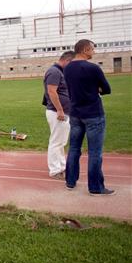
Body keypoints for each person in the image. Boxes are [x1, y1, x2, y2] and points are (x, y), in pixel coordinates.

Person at [64, 39, 113, 196]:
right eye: (92, 49)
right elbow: (107, 89)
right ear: (85, 49)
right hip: (93, 114)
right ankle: (95, 188)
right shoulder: (93, 68)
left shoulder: (68, 68)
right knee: (95, 152)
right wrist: (96, 89)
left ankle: (70, 182)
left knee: (73, 148)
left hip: (75, 114)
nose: (94, 52)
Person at [42, 51, 75, 179]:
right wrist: (60, 110)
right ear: (67, 60)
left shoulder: (60, 71)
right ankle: (55, 170)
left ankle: (61, 166)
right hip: (57, 112)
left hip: (62, 112)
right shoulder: (54, 72)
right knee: (56, 141)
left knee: (61, 141)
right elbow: (51, 91)